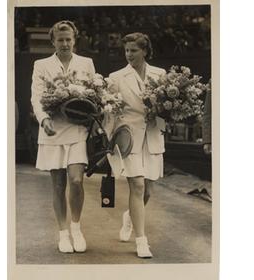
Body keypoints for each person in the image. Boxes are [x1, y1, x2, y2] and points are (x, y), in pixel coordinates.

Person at [31, 20, 95, 253]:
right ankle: (63, 234)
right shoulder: (41, 64)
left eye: (69, 39)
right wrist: (44, 119)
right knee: (58, 184)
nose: (65, 43)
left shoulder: (86, 63)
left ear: (74, 40)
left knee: (76, 180)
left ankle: (76, 228)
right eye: (61, 40)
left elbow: (94, 94)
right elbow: (37, 98)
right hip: (52, 130)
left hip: (78, 130)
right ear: (53, 42)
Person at [107, 33, 166, 258]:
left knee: (148, 191)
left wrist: (160, 116)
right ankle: (142, 241)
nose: (129, 54)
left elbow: (167, 110)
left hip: (152, 137)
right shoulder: (116, 77)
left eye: (134, 50)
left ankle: (129, 216)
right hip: (128, 137)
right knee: (138, 187)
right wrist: (109, 139)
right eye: (127, 51)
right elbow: (110, 111)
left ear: (145, 51)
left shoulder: (160, 75)